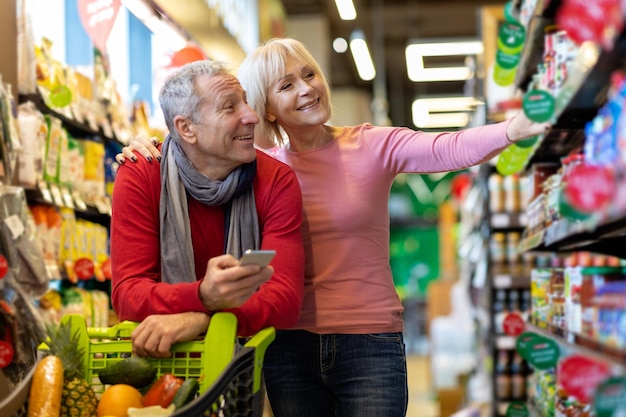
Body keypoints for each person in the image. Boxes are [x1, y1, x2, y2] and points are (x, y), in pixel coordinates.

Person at [116, 38, 550, 416]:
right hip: (288, 344)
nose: (307, 88)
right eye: (286, 85)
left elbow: (448, 148)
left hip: (369, 340)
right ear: (264, 106)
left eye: (309, 74)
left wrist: (514, 128)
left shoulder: (371, 146)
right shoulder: (258, 167)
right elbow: (195, 149)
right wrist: (153, 147)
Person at [110, 59, 305, 359]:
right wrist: (203, 295)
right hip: (158, 362)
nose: (251, 117)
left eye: (245, 103)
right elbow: (128, 295)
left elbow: (284, 299)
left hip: (244, 368)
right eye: (230, 107)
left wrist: (202, 317)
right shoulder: (142, 174)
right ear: (186, 128)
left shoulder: (276, 180)